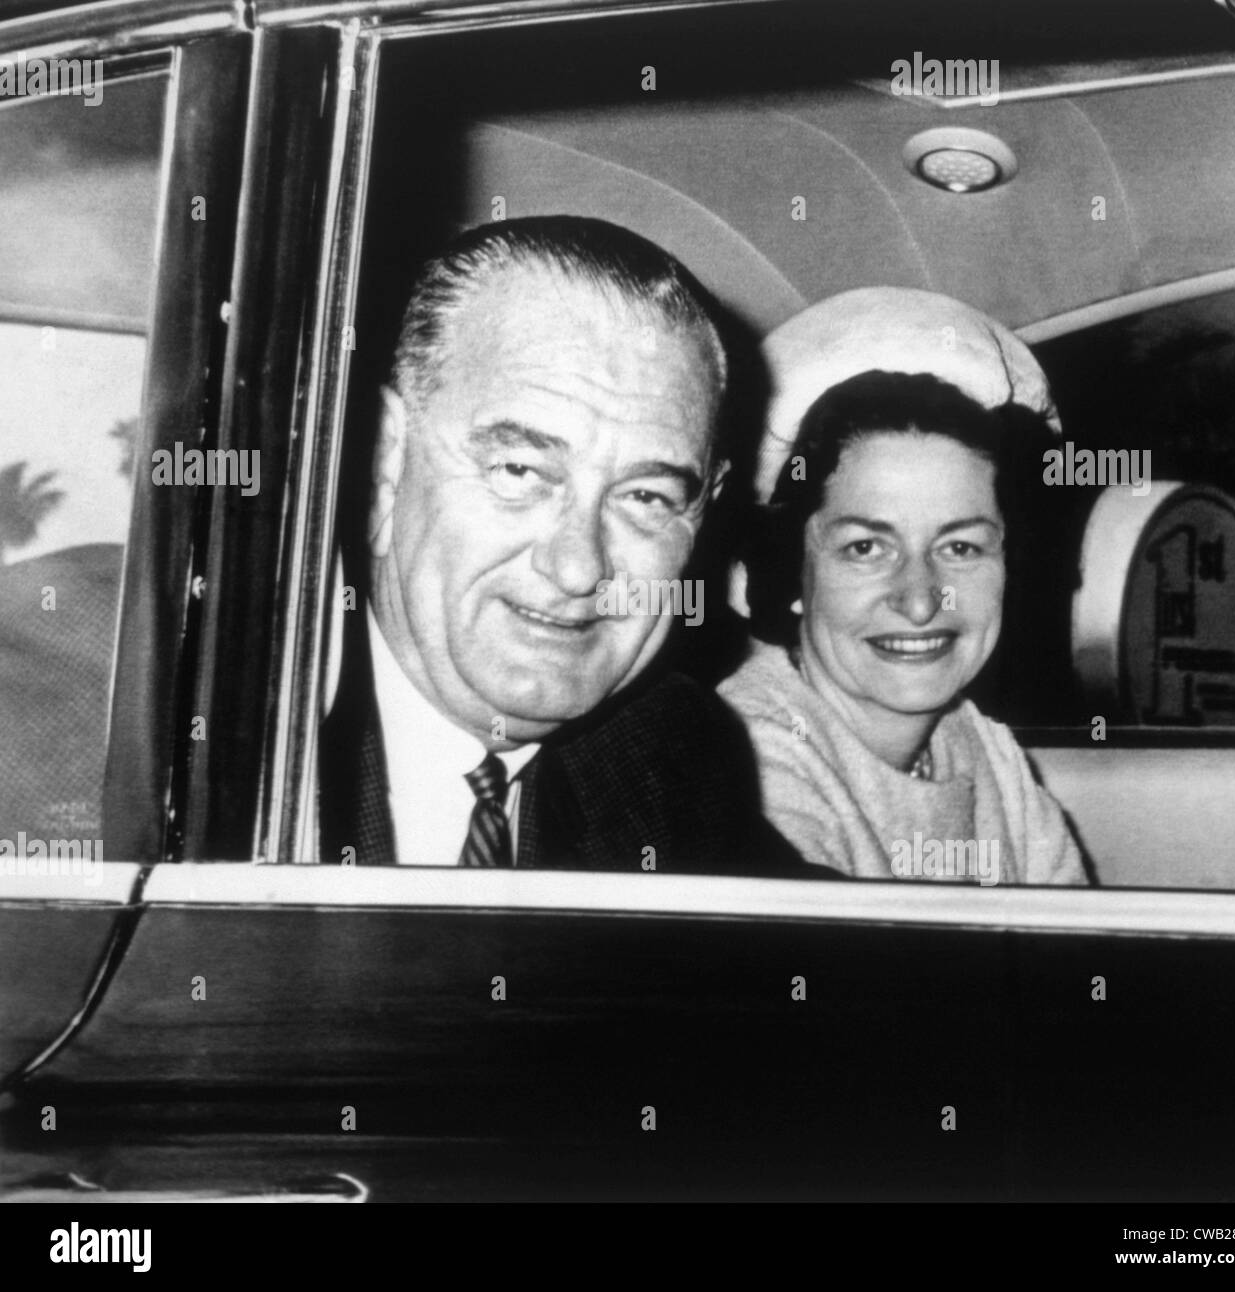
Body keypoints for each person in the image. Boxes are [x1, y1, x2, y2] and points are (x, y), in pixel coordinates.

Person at [319, 215, 816, 877]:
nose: (580, 568)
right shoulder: (230, 754)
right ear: (385, 465)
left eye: (646, 497)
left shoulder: (665, 752)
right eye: (520, 472)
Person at [719, 288, 1089, 885]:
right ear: (792, 573)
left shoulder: (980, 745)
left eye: (960, 547)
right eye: (866, 548)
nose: (920, 600)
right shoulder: (743, 763)